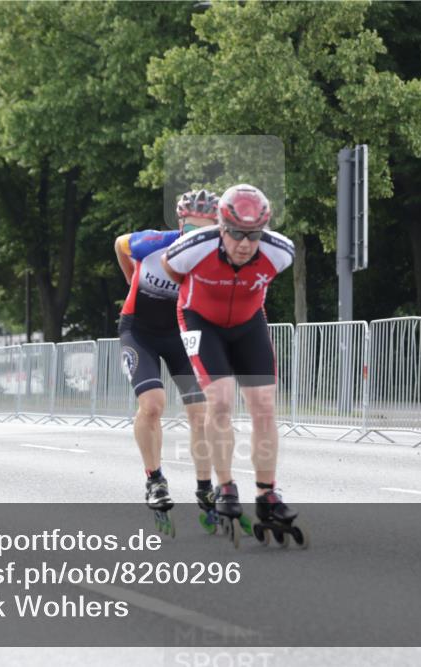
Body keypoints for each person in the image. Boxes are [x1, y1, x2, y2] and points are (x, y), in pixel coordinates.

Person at [161, 184, 298, 533]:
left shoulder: (280, 251)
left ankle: (267, 493)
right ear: (221, 227)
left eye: (254, 235)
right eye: (236, 233)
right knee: (220, 402)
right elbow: (171, 269)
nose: (245, 244)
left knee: (264, 406)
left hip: (248, 323)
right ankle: (225, 486)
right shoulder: (194, 246)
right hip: (199, 319)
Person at [113, 189, 219, 520]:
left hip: (180, 336)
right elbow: (120, 244)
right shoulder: (154, 242)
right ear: (180, 223)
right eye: (191, 227)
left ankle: (205, 487)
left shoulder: (216, 257)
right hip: (139, 332)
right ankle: (155, 479)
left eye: (206, 229)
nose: (196, 235)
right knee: (153, 404)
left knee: (200, 412)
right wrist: (131, 278)